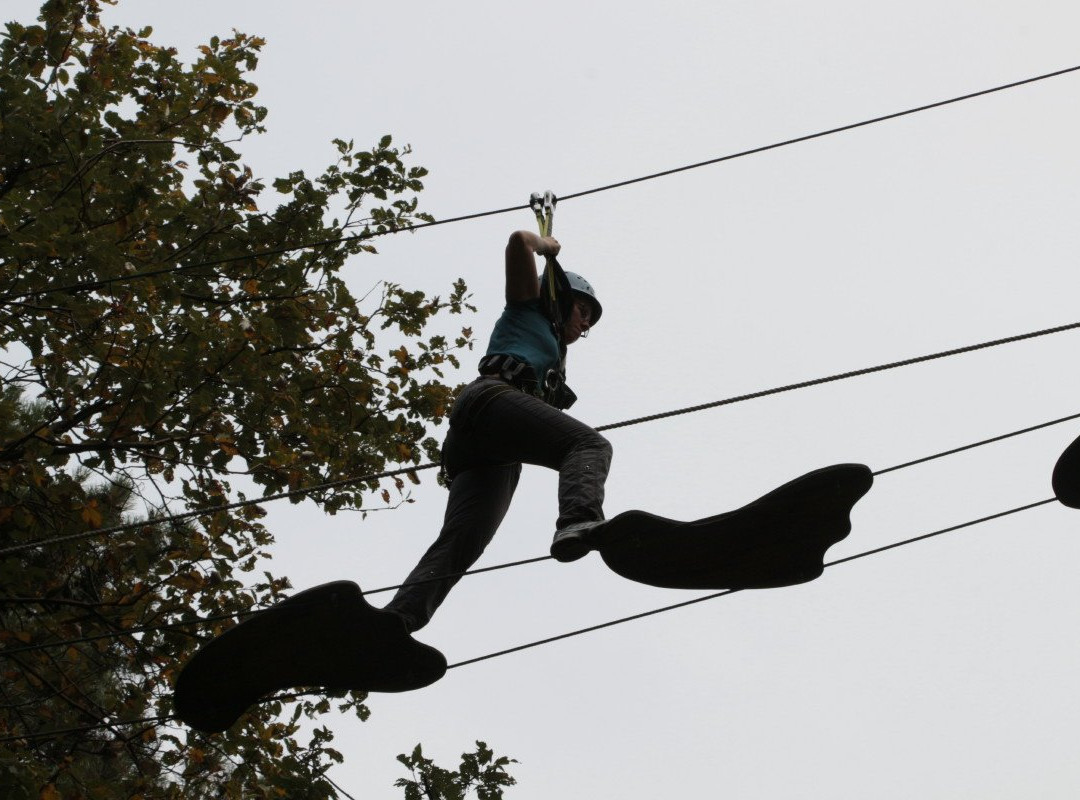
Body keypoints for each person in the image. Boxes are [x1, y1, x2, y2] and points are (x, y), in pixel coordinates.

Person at [384, 230, 613, 633]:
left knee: (464, 541)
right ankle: (579, 520)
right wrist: (548, 248)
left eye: (590, 321)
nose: (585, 322)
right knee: (589, 445)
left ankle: (395, 623)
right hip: (490, 402)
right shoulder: (528, 308)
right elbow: (518, 243)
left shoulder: (555, 360)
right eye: (582, 309)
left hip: (491, 448)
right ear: (558, 299)